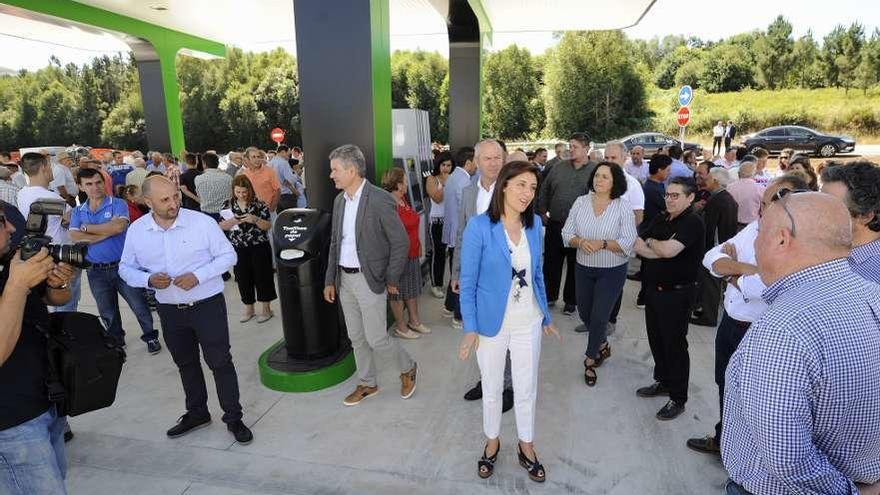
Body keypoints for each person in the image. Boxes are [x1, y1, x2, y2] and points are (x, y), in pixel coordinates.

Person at [722, 192, 880, 495]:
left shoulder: (783, 329)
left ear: (781, 240)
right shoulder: (872, 294)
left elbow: (787, 459)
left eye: (759, 232)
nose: (754, 245)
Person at [119, 176, 252, 444]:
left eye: (175, 196)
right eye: (165, 200)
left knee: (220, 362)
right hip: (169, 309)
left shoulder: (201, 223)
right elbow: (125, 267)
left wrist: (199, 276)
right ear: (148, 202)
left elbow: (228, 256)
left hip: (207, 306)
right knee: (186, 363)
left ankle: (234, 417)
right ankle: (197, 413)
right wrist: (147, 280)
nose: (174, 203)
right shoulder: (137, 230)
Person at [686, 173, 809, 457]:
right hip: (731, 323)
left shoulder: (798, 241)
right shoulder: (755, 227)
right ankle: (724, 439)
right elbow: (712, 258)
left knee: (755, 396)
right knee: (724, 384)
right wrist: (742, 268)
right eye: (762, 205)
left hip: (758, 330)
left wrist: (732, 270)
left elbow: (764, 287)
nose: (760, 212)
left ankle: (746, 453)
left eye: (767, 206)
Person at [458, 161, 558, 483]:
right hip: (490, 323)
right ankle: (492, 442)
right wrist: (470, 328)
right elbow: (468, 281)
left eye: (532, 187)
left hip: (528, 320)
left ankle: (526, 446)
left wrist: (545, 314)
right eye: (521, 185)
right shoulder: (478, 227)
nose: (527, 193)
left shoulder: (535, 228)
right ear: (504, 185)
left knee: (526, 387)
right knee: (491, 387)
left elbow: (538, 273)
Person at [322, 144, 417, 406]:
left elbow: (400, 243)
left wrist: (391, 278)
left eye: (335, 170)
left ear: (351, 170)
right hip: (345, 280)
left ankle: (408, 366)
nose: (331, 175)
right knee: (356, 337)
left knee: (376, 338)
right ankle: (367, 383)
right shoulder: (339, 200)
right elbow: (335, 243)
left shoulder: (379, 198)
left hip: (370, 279)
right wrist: (330, 279)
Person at [0, 200, 77, 495]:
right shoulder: (14, 274)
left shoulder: (11, 260)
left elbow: (52, 299)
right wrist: (16, 286)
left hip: (46, 402)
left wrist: (58, 283)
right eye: (1, 221)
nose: (10, 227)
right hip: (11, 424)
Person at [633, 178, 705, 420]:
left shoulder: (693, 222)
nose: (669, 199)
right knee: (656, 340)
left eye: (676, 195)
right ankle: (663, 381)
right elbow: (637, 245)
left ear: (690, 197)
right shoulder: (662, 218)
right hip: (654, 290)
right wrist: (657, 249)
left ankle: (678, 397)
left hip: (678, 293)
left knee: (674, 345)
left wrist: (654, 245)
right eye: (668, 195)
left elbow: (668, 251)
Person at [68, 168, 161, 353]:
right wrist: (105, 231)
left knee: (139, 305)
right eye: (89, 184)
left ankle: (150, 336)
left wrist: (87, 229)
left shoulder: (118, 204)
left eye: (98, 182)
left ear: (104, 182)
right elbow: (74, 236)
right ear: (80, 186)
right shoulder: (78, 211)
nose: (95, 187)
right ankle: (117, 340)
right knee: (107, 311)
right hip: (95, 271)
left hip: (123, 267)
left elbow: (119, 227)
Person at [451, 140, 514, 410]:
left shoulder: (513, 189)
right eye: (487, 158)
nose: (493, 163)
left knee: (507, 330)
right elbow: (462, 234)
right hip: (476, 275)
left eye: (497, 158)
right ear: (475, 161)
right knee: (480, 330)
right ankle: (487, 380)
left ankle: (508, 386)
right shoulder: (467, 193)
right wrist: (456, 271)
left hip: (507, 275)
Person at [562, 162, 637, 386]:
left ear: (615, 182)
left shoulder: (623, 206)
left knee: (599, 316)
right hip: (583, 267)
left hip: (612, 270)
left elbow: (628, 241)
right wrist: (581, 241)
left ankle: (590, 359)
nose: (598, 180)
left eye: (605, 176)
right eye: (597, 175)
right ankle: (603, 344)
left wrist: (602, 244)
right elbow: (566, 233)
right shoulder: (580, 202)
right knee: (585, 314)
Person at [537, 132, 596, 315]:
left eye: (576, 146)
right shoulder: (558, 167)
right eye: (570, 146)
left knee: (575, 266)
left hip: (579, 229)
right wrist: (542, 211)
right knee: (551, 263)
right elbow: (544, 189)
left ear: (587, 149)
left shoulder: (595, 170)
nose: (571, 150)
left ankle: (571, 301)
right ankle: (549, 295)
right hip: (554, 224)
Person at [16, 152, 81, 313]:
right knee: (66, 301)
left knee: (51, 300)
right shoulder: (52, 197)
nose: (52, 170)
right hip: (62, 257)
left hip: (39, 254)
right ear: (44, 167)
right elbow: (73, 221)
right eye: (50, 166)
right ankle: (63, 334)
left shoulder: (22, 193)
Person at [219, 175, 276, 323]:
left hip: (259, 246)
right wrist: (232, 221)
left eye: (244, 192)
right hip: (239, 247)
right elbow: (221, 226)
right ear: (233, 191)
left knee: (263, 277)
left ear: (249, 190)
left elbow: (268, 226)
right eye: (238, 192)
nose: (241, 195)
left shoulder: (259, 204)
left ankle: (266, 309)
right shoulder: (227, 205)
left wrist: (255, 219)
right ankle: (249, 308)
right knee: (243, 278)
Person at [382, 168, 431, 339]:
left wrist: (418, 245)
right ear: (397, 183)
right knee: (397, 292)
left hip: (411, 253)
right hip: (397, 256)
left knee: (411, 289)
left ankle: (414, 321)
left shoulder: (403, 199)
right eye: (404, 180)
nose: (406, 182)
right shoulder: (388, 203)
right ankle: (401, 327)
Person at [691, 166, 738, 327]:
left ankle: (708, 316)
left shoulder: (717, 200)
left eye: (709, 178)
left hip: (715, 247)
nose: (705, 180)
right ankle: (703, 309)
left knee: (711, 281)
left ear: (716, 181)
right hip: (722, 245)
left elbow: (710, 227)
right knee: (708, 281)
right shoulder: (725, 198)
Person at [821, 161, 880, 283]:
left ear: (865, 216)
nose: (815, 213)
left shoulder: (874, 276)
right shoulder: (822, 247)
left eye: (829, 208)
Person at [442, 146, 476, 328]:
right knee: (462, 274)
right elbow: (468, 211)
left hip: (453, 233)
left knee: (456, 272)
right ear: (468, 162)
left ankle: (449, 306)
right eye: (477, 161)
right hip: (461, 234)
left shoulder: (454, 177)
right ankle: (459, 316)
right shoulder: (464, 182)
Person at [426, 151, 453, 298]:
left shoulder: (454, 178)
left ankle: (450, 283)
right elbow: (436, 198)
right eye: (443, 165)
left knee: (452, 253)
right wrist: (445, 184)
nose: (446, 168)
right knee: (439, 253)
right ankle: (436, 284)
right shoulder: (432, 179)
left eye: (449, 165)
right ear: (438, 164)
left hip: (450, 220)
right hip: (437, 222)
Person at [726, 160, 764, 229]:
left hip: (732, 225)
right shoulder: (760, 188)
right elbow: (763, 210)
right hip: (752, 226)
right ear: (754, 174)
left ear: (738, 173)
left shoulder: (729, 187)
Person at [195, 153, 233, 222]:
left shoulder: (198, 179)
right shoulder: (228, 178)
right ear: (218, 163)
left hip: (207, 215)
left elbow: (199, 197)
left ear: (204, 164)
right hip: (226, 215)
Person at [242, 147, 281, 213]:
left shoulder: (269, 171)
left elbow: (278, 190)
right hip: (251, 211)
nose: (257, 159)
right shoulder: (245, 173)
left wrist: (272, 208)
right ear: (248, 159)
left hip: (267, 210)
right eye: (253, 157)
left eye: (258, 157)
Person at [268, 145, 300, 212]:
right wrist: (296, 173)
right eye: (288, 154)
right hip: (286, 196)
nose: (288, 157)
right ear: (282, 152)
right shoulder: (283, 163)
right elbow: (291, 180)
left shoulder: (270, 163)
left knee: (281, 219)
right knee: (292, 218)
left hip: (275, 195)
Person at [643, 155, 671, 226]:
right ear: (659, 170)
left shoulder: (656, 185)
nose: (669, 173)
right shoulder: (652, 189)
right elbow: (669, 207)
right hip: (650, 228)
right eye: (668, 170)